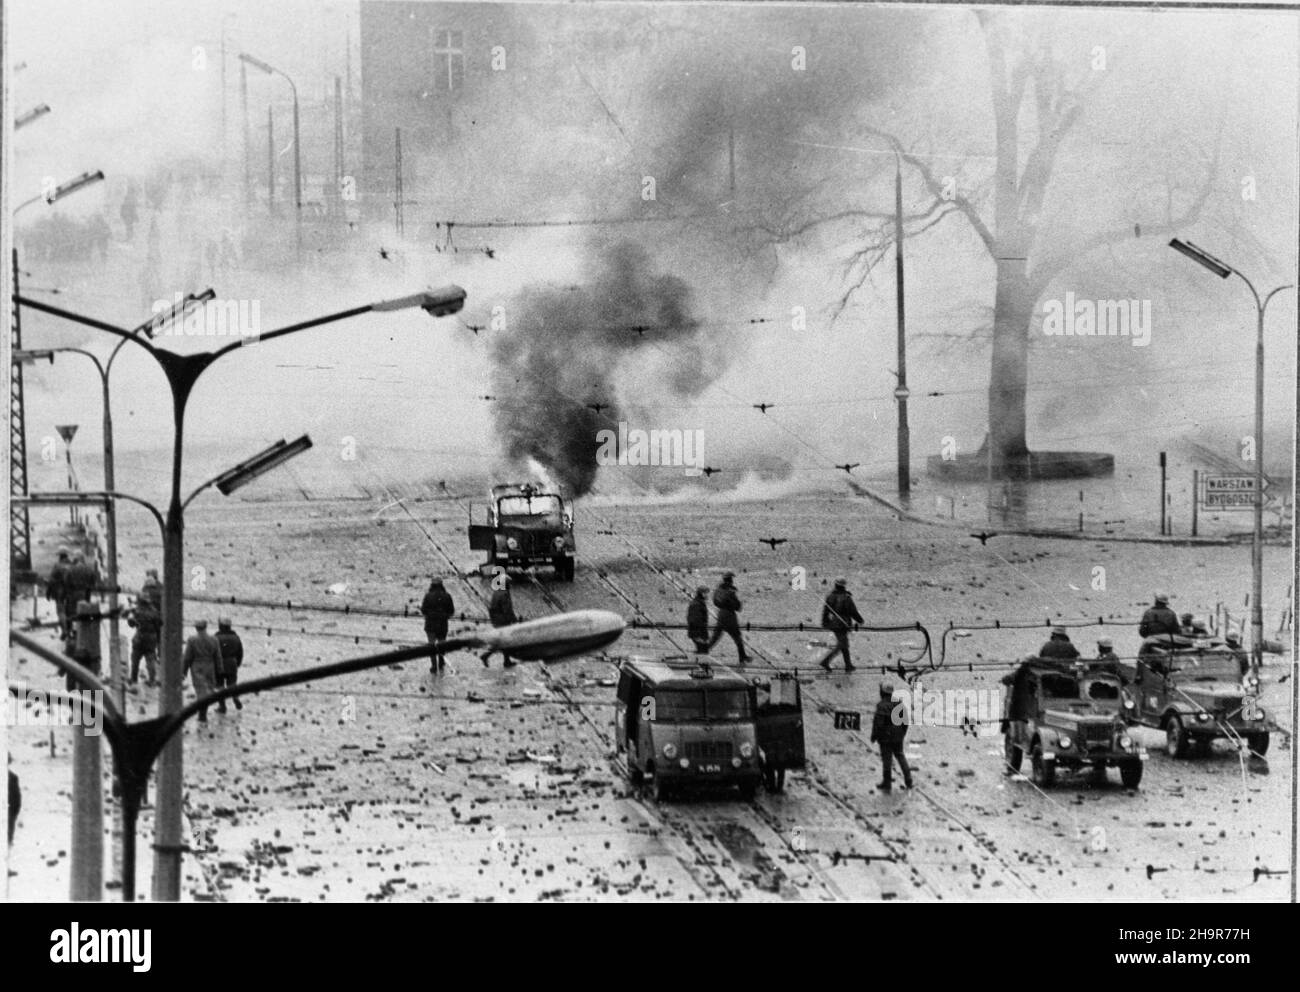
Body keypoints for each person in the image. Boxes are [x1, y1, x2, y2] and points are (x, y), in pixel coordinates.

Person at [869, 682, 912, 791]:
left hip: (885, 737)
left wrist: (874, 735)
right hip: (898, 735)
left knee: (887, 759)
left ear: (882, 692)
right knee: (900, 756)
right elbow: (905, 721)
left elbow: (878, 723)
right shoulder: (899, 703)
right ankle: (909, 780)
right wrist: (902, 733)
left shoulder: (881, 705)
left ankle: (887, 783)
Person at [819, 578, 864, 672]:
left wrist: (825, 622)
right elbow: (853, 611)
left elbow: (826, 611)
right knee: (842, 644)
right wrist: (860, 620)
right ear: (843, 586)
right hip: (843, 623)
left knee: (844, 644)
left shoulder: (830, 596)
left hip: (834, 623)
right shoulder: (846, 597)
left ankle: (848, 665)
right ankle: (825, 661)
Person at [182, 619, 222, 723]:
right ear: (205, 627)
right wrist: (220, 670)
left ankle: (202, 715)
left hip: (197, 666)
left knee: (200, 691)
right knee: (209, 688)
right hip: (210, 666)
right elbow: (218, 656)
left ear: (196, 627)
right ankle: (203, 713)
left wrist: (184, 671)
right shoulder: (214, 639)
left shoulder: (192, 639)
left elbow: (187, 657)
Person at [707, 572, 750, 664]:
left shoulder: (718, 590)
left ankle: (703, 652)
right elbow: (737, 606)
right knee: (737, 638)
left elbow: (715, 601)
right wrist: (738, 603)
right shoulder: (730, 591)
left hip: (721, 615)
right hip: (730, 616)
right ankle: (742, 657)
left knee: (715, 637)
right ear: (730, 580)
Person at [420, 578, 455, 673]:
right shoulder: (447, 596)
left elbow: (423, 610)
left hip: (430, 624)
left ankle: (434, 665)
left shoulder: (428, 596)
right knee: (442, 644)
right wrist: (444, 616)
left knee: (431, 645)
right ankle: (441, 662)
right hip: (442, 624)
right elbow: (451, 611)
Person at [127, 596, 162, 686]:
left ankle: (134, 679)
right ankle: (152, 680)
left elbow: (131, 623)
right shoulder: (155, 612)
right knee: (150, 660)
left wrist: (130, 616)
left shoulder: (137, 611)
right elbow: (160, 623)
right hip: (151, 639)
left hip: (139, 638)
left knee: (135, 659)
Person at [486, 576, 518, 668]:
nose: (510, 585)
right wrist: (514, 621)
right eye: (509, 583)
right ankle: (488, 656)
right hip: (503, 621)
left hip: (497, 621)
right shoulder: (504, 594)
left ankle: (506, 660)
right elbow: (507, 610)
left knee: (502, 641)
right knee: (505, 641)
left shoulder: (496, 593)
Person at [214, 617, 244, 713]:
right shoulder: (236, 637)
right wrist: (237, 663)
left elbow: (213, 653)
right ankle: (235, 697)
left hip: (220, 664)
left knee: (220, 686)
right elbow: (240, 652)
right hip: (232, 664)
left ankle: (222, 706)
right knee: (232, 684)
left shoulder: (216, 638)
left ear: (221, 626)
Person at [47, 547, 72, 637]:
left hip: (60, 592)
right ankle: (70, 630)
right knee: (69, 611)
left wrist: (48, 592)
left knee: (61, 612)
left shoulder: (57, 565)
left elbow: (51, 580)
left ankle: (64, 630)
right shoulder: (72, 565)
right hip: (71, 592)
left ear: (60, 556)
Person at [686, 587, 710, 654]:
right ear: (701, 594)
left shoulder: (699, 602)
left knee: (702, 651)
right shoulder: (697, 604)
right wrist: (700, 636)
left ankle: (699, 661)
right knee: (703, 651)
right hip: (698, 633)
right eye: (706, 593)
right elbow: (695, 620)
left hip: (699, 633)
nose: (707, 595)